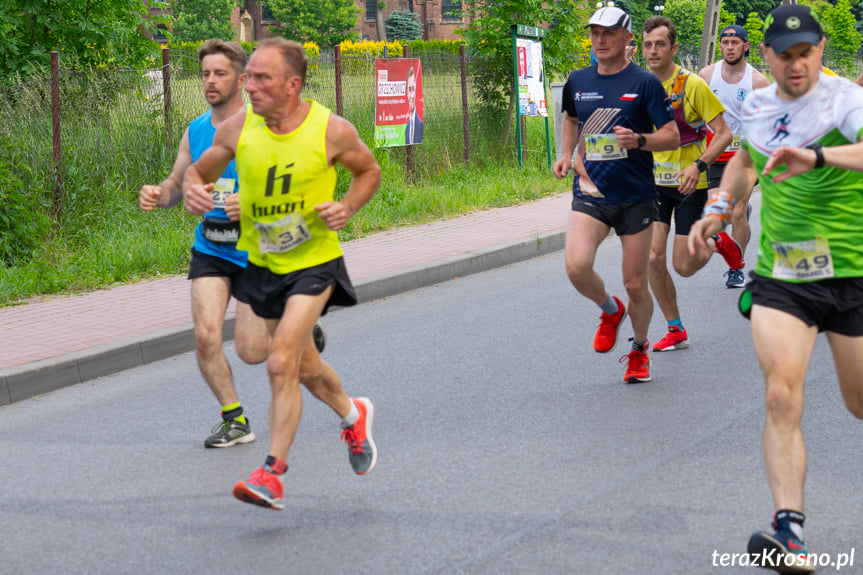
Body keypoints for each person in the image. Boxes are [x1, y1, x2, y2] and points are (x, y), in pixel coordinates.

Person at [688, 5, 863, 571]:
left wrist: (816, 156)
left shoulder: (846, 100)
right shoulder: (759, 105)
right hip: (783, 277)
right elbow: (742, 161)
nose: (796, 65)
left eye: (806, 53)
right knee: (782, 394)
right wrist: (719, 207)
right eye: (785, 55)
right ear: (766, 54)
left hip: (852, 270)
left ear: (820, 50)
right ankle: (789, 532)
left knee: (859, 402)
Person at [183, 37, 383, 510]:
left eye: (261, 78)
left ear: (292, 85)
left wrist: (347, 206)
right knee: (306, 368)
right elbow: (200, 171)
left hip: (314, 261)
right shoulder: (239, 127)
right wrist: (194, 190)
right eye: (248, 76)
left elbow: (368, 171)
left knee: (279, 361)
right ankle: (355, 414)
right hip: (263, 261)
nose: (249, 86)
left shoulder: (330, 130)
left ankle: (272, 473)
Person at [139, 40, 298, 449]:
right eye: (206, 73)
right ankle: (236, 419)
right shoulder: (195, 130)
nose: (211, 81)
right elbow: (179, 184)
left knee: (250, 350)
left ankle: (294, 322)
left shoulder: (266, 127)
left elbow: (296, 189)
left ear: (243, 80)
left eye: (220, 73)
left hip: (257, 250)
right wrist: (162, 194)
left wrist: (250, 204)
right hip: (211, 247)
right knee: (206, 336)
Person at [552, 6, 679, 383]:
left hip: (636, 195)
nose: (600, 40)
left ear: (627, 39)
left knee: (635, 283)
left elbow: (671, 135)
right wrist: (565, 155)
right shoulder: (578, 80)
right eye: (594, 33)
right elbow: (572, 118)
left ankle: (640, 349)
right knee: (576, 266)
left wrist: (640, 140)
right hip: (591, 192)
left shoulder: (645, 84)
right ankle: (609, 310)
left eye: (608, 33)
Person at [641, 16, 733, 352]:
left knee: (682, 266)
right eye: (648, 44)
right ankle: (675, 327)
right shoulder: (639, 86)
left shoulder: (692, 84)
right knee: (652, 258)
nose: (653, 51)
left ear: (673, 47)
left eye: (660, 44)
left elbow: (723, 134)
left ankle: (716, 239)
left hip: (689, 182)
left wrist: (699, 164)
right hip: (652, 185)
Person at [698, 24, 770, 288]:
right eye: (725, 42)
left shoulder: (757, 82)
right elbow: (695, 113)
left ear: (745, 46)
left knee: (737, 212)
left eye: (735, 42)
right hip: (713, 152)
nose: (729, 47)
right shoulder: (706, 75)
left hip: (744, 157)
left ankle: (737, 267)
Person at [405, 65, 423, 145]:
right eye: (409, 89)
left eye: (413, 89)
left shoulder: (421, 125)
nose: (411, 96)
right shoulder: (407, 128)